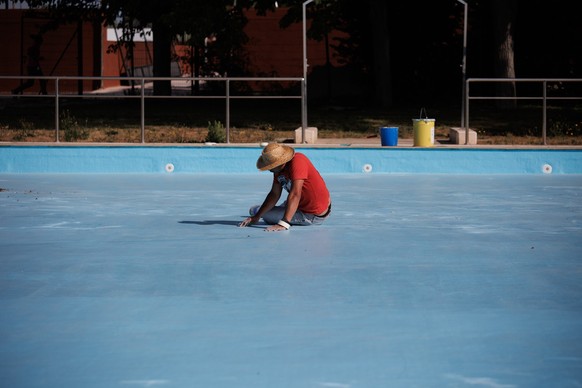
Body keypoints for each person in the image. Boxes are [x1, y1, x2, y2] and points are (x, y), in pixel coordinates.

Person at [239, 143, 331, 232]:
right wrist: (257, 217)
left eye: (271, 166)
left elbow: (295, 194)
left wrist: (284, 223)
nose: (269, 169)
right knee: (256, 212)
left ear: (281, 163)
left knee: (255, 210)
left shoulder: (298, 161)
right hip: (300, 204)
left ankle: (286, 216)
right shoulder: (277, 170)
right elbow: (274, 194)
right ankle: (281, 214)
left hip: (313, 214)